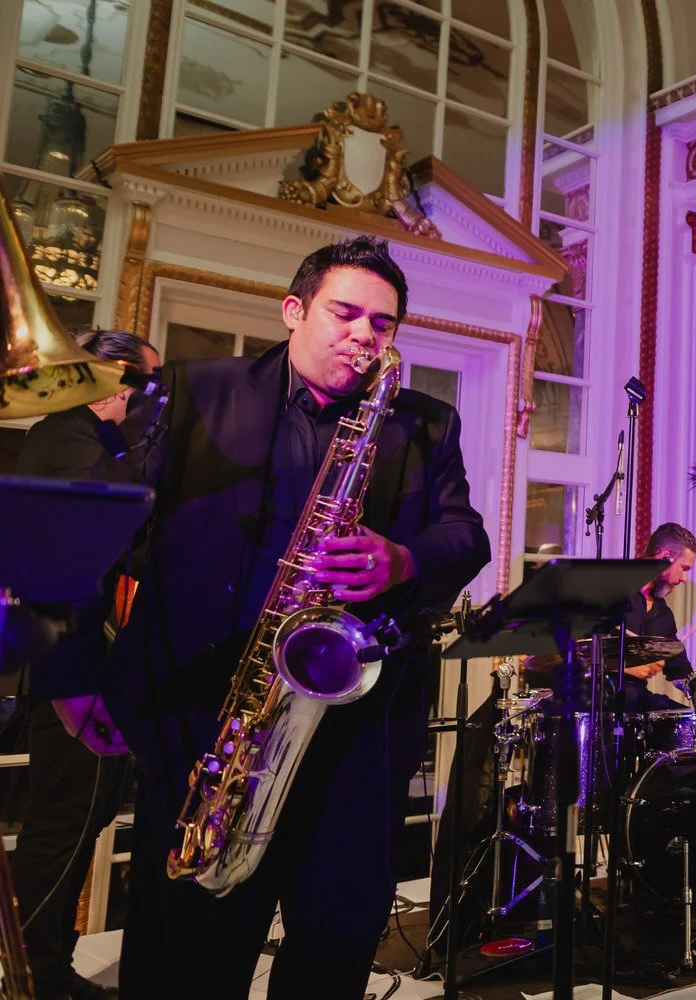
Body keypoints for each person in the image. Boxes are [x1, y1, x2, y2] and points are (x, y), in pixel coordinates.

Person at [58, 237, 491, 999]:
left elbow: (467, 536)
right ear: (294, 311)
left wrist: (405, 561)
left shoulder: (427, 424)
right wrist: (71, 672)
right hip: (204, 726)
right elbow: (93, 527)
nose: (364, 333)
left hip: (353, 735)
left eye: (382, 324)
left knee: (331, 950)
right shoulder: (192, 392)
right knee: (184, 963)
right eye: (345, 311)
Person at [11, 329, 160, 1000]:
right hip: (66, 669)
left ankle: (43, 966)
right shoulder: (72, 440)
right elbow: (69, 564)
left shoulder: (78, 440)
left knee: (77, 817)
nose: (154, 404)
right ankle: (34, 977)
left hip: (76, 666)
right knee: (62, 823)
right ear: (117, 385)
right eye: (147, 387)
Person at [618, 522, 696, 710]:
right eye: (684, 568)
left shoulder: (664, 616)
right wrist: (625, 668)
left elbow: (680, 671)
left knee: (686, 721)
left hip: (636, 701)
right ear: (665, 557)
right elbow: (574, 649)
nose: (685, 579)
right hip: (596, 699)